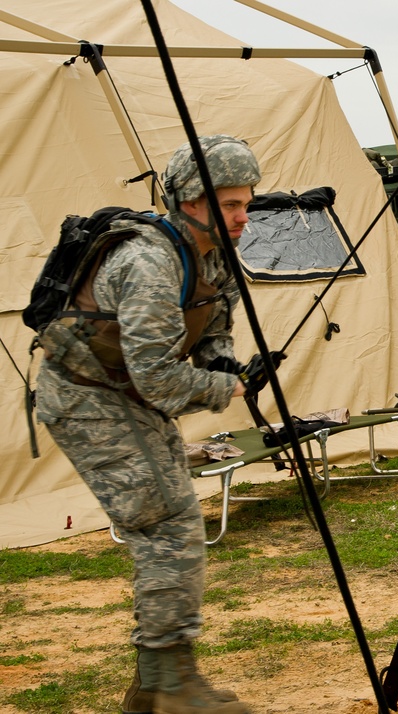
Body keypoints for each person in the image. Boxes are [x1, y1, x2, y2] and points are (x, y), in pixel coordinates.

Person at [34, 135, 269, 714]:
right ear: (189, 202)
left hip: (127, 395)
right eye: (230, 205)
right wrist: (226, 388)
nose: (243, 217)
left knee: (172, 519)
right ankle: (170, 686)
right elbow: (159, 379)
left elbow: (215, 323)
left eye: (246, 203)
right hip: (88, 398)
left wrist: (223, 362)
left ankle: (152, 688)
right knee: (167, 527)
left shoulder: (213, 251)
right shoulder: (148, 262)